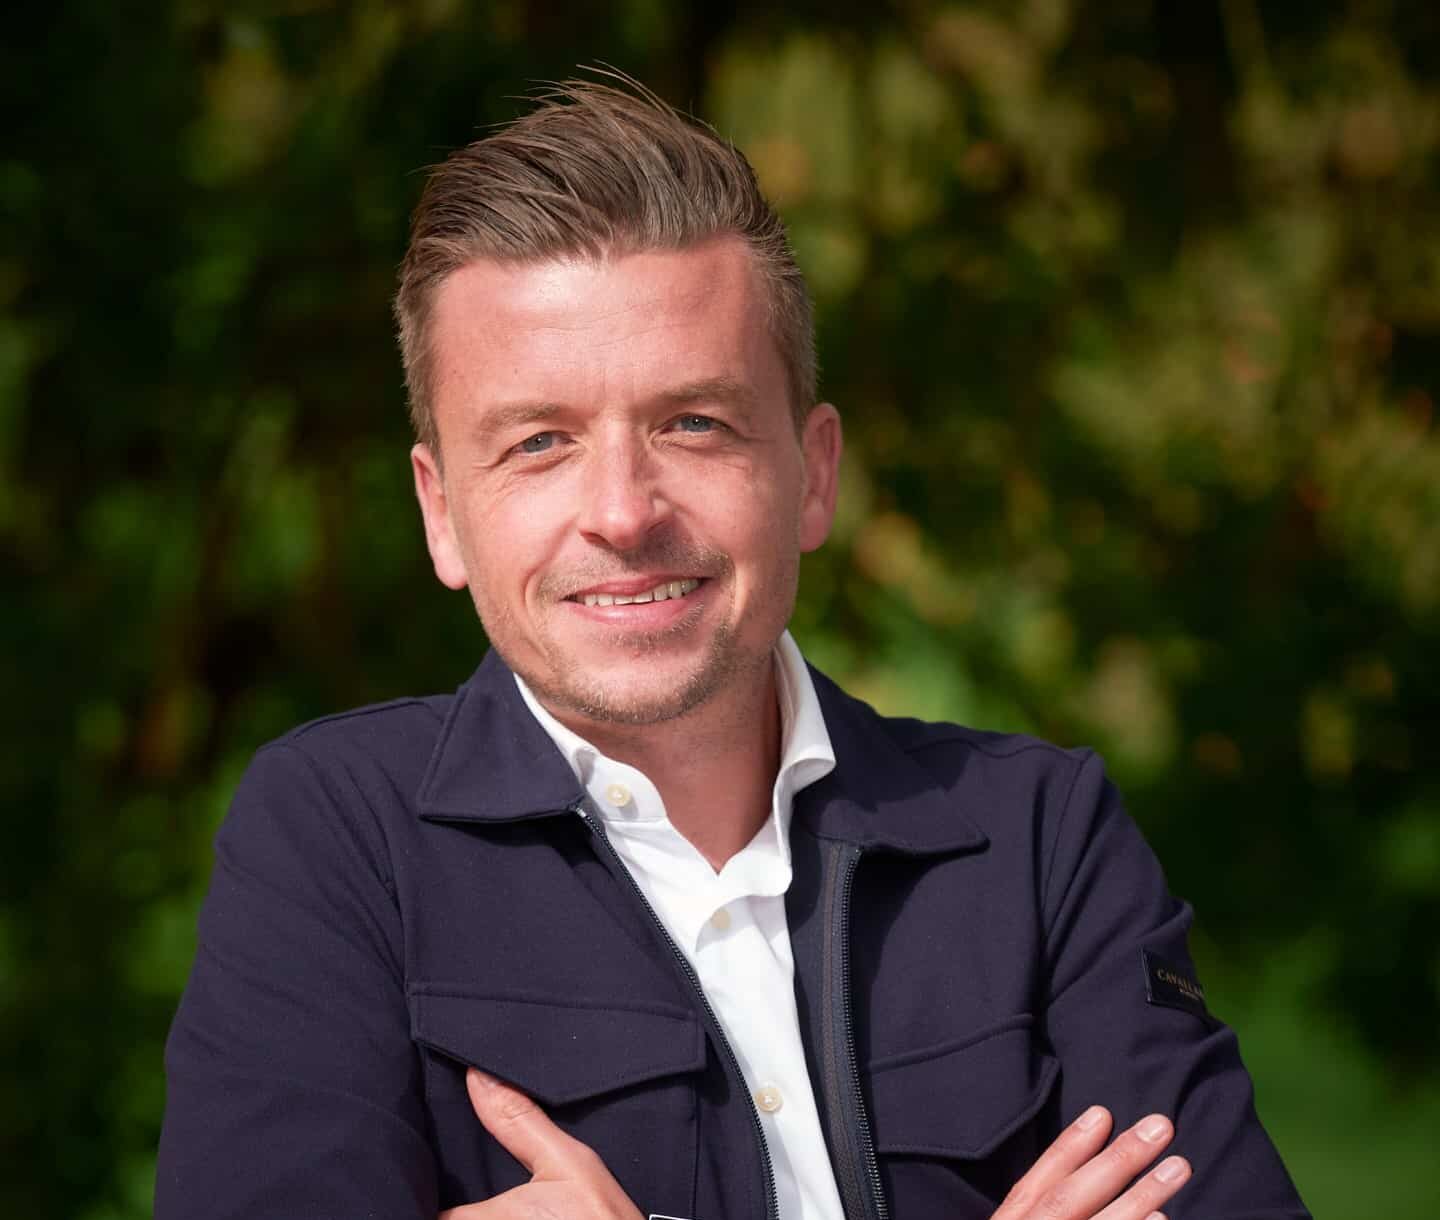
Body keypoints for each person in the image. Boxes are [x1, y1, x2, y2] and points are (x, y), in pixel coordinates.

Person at [155, 76, 1310, 1220]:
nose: (622, 510)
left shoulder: (1039, 840)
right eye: (540, 441)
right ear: (442, 510)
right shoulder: (341, 842)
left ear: (814, 473)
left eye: (693, 422)